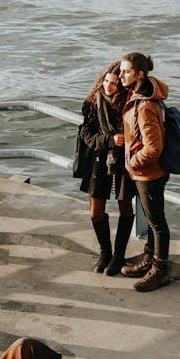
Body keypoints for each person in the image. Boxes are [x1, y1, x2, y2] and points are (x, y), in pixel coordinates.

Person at [118, 52, 171, 291]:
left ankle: (160, 270)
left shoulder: (146, 104)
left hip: (149, 173)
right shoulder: (139, 95)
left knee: (157, 222)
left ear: (140, 74)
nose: (120, 75)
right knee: (151, 221)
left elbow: (154, 147)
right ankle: (149, 260)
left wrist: (132, 163)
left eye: (126, 71)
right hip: (143, 172)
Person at [79, 61, 136, 275]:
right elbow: (86, 134)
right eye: (106, 81)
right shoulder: (93, 102)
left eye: (113, 83)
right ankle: (105, 252)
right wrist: (109, 139)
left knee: (125, 207)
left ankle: (119, 256)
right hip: (98, 160)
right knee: (96, 211)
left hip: (123, 163)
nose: (108, 86)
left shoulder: (128, 104)